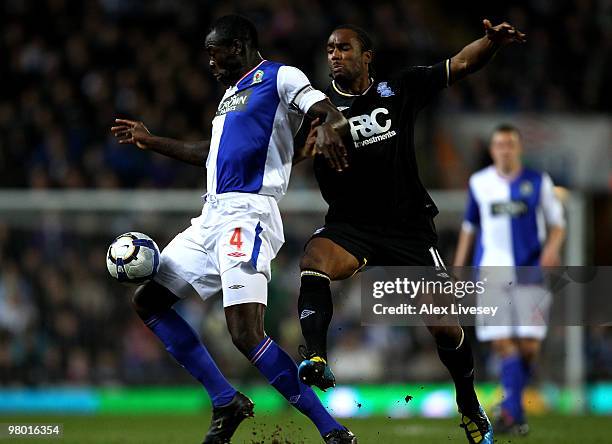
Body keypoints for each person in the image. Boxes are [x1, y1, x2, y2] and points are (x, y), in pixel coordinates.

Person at [111, 15, 357, 444]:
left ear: (240, 45)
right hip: (209, 218)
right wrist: (153, 142)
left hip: (248, 215)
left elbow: (322, 109)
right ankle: (225, 398)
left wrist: (333, 126)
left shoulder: (280, 76)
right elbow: (209, 155)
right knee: (148, 300)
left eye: (215, 51)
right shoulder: (229, 97)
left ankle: (333, 430)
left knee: (245, 333)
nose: (210, 61)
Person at [294, 20, 526, 444]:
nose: (334, 55)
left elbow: (459, 64)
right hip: (351, 227)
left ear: (367, 57)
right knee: (313, 261)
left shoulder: (399, 89)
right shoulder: (316, 108)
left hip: (408, 230)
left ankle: (468, 403)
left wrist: (491, 43)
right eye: (329, 48)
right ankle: (314, 355)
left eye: (344, 48)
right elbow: (287, 159)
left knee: (444, 326)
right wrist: (307, 141)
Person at [454, 124, 566, 435]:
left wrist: (552, 250)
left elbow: (557, 224)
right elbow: (469, 227)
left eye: (510, 144)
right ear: (492, 150)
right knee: (504, 345)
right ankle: (512, 415)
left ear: (518, 148)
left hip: (531, 273)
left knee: (529, 347)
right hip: (490, 274)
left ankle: (510, 406)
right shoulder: (479, 183)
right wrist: (459, 268)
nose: (505, 149)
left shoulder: (538, 182)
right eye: (500, 144)